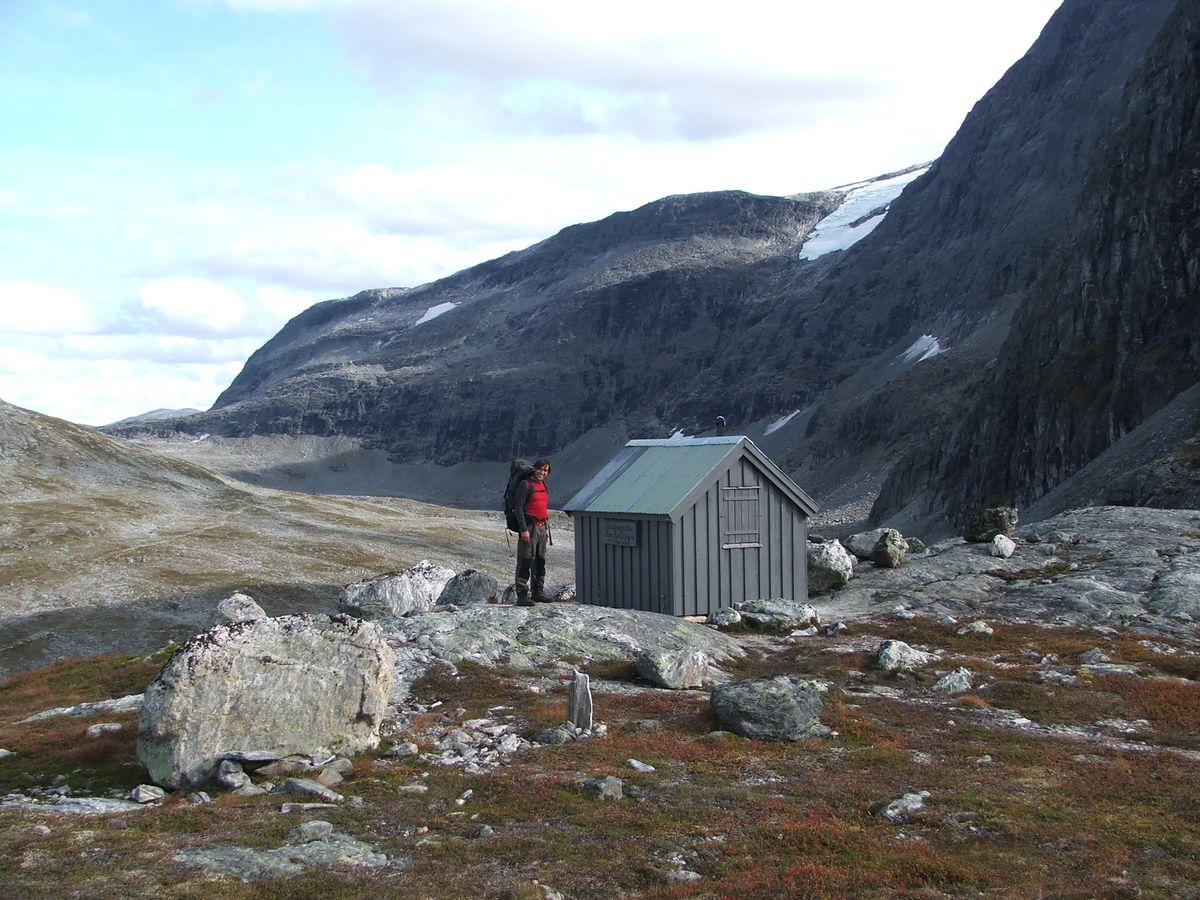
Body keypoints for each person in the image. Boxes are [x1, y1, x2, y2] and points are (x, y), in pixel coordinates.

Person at [513, 458, 551, 606]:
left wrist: (546, 529)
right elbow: (518, 508)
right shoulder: (525, 484)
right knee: (525, 560)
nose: (542, 472)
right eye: (540, 469)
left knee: (540, 561)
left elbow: (542, 507)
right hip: (529, 527)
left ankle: (537, 592)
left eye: (545, 470)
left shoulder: (543, 485)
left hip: (541, 527)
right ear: (534, 469)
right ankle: (522, 595)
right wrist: (523, 529)